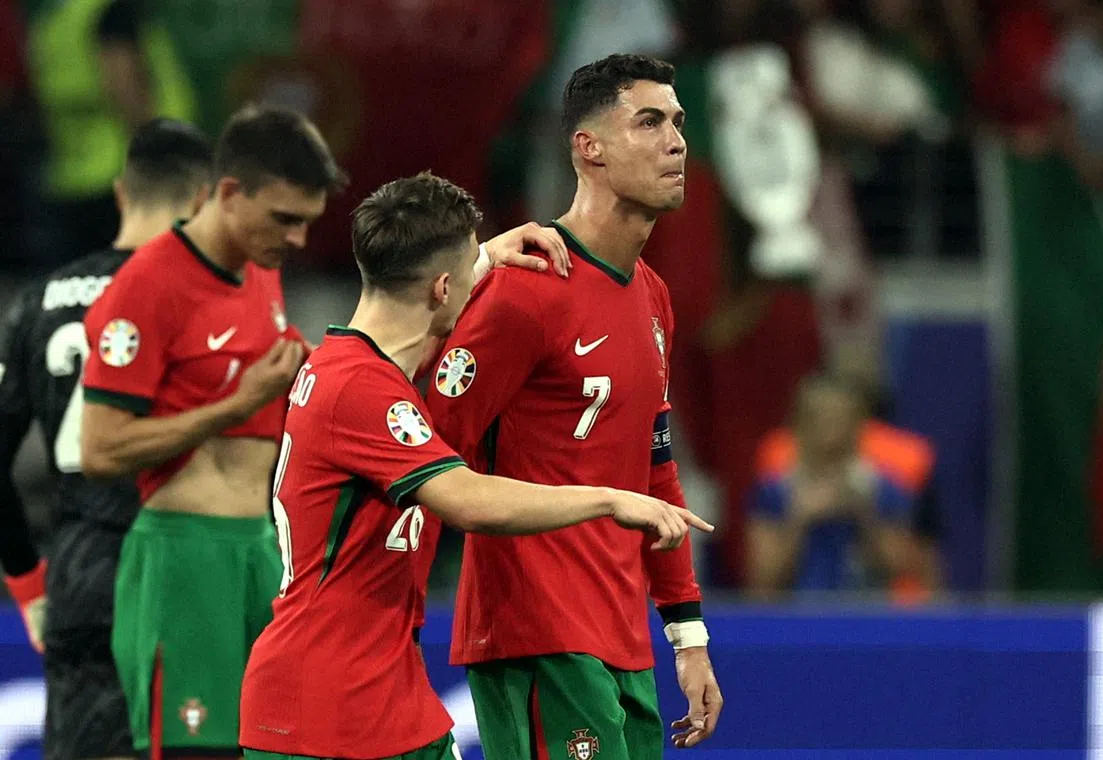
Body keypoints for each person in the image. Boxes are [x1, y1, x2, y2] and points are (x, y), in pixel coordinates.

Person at [79, 104, 578, 760]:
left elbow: (381, 330)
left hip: (269, 555)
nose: (296, 240)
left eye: (307, 222)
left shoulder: (261, 273)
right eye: (284, 218)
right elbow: (98, 449)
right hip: (186, 551)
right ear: (229, 193)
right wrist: (236, 405)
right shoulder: (146, 284)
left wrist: (476, 258)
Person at [238, 171, 711, 760]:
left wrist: (481, 256)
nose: (486, 288)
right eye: (474, 275)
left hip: (389, 697)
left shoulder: (352, 370)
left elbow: (423, 322)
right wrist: (609, 497)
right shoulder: (359, 391)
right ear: (443, 287)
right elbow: (465, 499)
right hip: (320, 710)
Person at [424, 54, 724, 758]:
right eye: (648, 122)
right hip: (534, 631)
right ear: (588, 147)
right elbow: (427, 450)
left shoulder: (652, 297)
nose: (676, 142)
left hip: (621, 634)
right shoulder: (526, 285)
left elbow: (654, 468)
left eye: (678, 123)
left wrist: (687, 635)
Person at [0, 117, 212, 760]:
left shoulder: (39, 300)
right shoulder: (198, 300)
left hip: (80, 576)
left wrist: (27, 581)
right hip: (182, 575)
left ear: (121, 192)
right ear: (204, 199)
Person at [746, 374, 919, 597]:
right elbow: (763, 579)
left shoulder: (883, 488)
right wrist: (801, 519)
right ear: (799, 425)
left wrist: (862, 512)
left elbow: (899, 568)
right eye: (820, 419)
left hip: (865, 611)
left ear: (859, 426)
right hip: (795, 612)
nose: (831, 432)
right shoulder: (774, 492)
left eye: (840, 420)